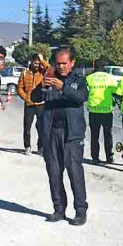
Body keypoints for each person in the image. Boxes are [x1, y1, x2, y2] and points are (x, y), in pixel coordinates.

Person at [41, 47, 89, 225]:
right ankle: (58, 209)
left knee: (74, 171)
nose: (61, 67)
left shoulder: (79, 80)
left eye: (64, 63)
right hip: (51, 132)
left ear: (72, 63)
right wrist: (43, 86)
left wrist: (64, 87)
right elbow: (35, 97)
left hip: (72, 134)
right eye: (58, 63)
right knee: (54, 172)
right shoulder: (49, 78)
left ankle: (80, 211)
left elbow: (81, 97)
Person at [17, 53, 51, 156]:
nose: (37, 65)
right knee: (27, 127)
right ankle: (27, 147)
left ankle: (41, 147)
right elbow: (19, 88)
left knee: (41, 127)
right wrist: (26, 98)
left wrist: (43, 61)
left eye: (38, 63)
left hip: (40, 103)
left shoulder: (43, 72)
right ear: (31, 62)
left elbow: (51, 70)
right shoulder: (24, 73)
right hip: (29, 105)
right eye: (35, 63)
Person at [86, 59, 118, 165]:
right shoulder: (110, 78)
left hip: (93, 111)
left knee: (94, 136)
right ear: (104, 67)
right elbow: (116, 92)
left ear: (95, 66)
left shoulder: (89, 78)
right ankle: (109, 157)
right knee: (107, 135)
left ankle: (95, 157)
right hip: (106, 111)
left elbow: (86, 92)